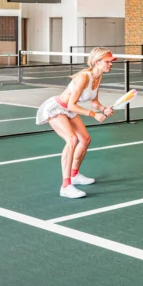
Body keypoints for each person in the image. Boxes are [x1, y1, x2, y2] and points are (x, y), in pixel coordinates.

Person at [35, 47, 116, 198]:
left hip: (69, 110)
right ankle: (65, 186)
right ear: (97, 62)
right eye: (108, 62)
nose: (110, 64)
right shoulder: (84, 77)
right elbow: (71, 105)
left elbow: (94, 102)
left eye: (111, 62)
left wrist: (103, 109)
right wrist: (94, 115)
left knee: (85, 139)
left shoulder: (98, 77)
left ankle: (74, 175)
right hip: (57, 108)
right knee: (71, 140)